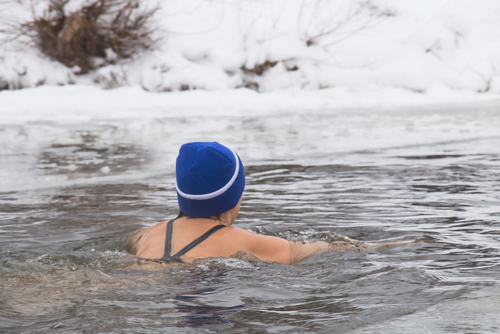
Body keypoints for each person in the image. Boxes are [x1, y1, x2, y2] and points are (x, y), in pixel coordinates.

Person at [133, 141, 335, 265]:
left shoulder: (148, 234)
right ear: (235, 196)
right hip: (194, 281)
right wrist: (361, 247)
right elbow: (300, 251)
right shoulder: (244, 241)